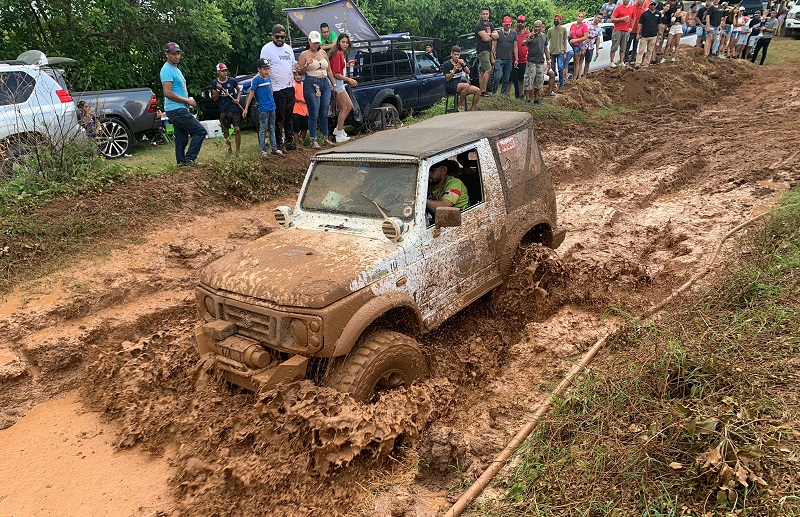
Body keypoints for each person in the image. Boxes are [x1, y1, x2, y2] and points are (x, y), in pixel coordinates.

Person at [160, 42, 206, 167]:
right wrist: (187, 101)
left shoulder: (175, 69)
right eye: (173, 54)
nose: (177, 56)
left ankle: (181, 162)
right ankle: (189, 159)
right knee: (200, 131)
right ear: (166, 54)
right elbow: (167, 92)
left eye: (178, 53)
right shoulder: (166, 70)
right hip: (176, 109)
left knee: (181, 137)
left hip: (177, 108)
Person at [297, 30, 337, 149]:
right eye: (313, 42)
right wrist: (306, 65)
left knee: (324, 111)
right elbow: (299, 72)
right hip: (312, 82)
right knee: (314, 112)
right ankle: (313, 138)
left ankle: (325, 137)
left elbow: (329, 70)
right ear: (309, 41)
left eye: (317, 43)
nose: (315, 45)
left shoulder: (323, 53)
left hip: (324, 82)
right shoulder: (304, 54)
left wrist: (334, 85)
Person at [260, 24, 296, 152]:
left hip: (289, 86)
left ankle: (290, 142)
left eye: (282, 37)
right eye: (277, 37)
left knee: (289, 116)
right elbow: (264, 69)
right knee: (278, 118)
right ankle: (279, 144)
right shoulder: (267, 49)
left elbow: (293, 65)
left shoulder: (288, 49)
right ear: (272, 36)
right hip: (276, 88)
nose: (280, 39)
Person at [242, 59, 284, 158]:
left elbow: (271, 91)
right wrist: (246, 108)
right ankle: (263, 150)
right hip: (263, 108)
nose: (267, 71)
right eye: (265, 69)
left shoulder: (268, 78)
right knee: (263, 129)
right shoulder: (256, 80)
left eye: (268, 69)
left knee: (272, 127)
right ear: (259, 69)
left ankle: (274, 148)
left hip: (272, 106)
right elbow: (251, 94)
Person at [211, 62, 242, 156]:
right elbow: (215, 98)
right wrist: (218, 90)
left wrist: (238, 99)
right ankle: (229, 151)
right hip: (224, 110)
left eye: (225, 71)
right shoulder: (215, 83)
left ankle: (238, 151)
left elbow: (239, 90)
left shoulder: (232, 81)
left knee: (237, 129)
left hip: (234, 108)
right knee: (226, 130)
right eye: (222, 71)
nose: (224, 73)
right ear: (218, 72)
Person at [330, 33, 355, 143]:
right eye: (343, 42)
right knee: (344, 108)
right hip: (338, 83)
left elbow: (339, 68)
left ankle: (338, 129)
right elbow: (335, 73)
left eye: (347, 42)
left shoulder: (341, 54)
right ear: (339, 42)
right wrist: (348, 79)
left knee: (349, 106)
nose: (345, 44)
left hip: (340, 83)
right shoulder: (337, 54)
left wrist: (347, 65)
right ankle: (339, 133)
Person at [522, 19, 553, 104]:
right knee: (529, 79)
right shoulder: (530, 35)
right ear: (533, 27)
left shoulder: (544, 36)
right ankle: (527, 99)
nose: (537, 28)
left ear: (541, 27)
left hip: (540, 61)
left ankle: (536, 98)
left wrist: (548, 59)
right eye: (535, 26)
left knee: (539, 80)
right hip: (531, 61)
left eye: (539, 26)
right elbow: (523, 43)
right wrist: (528, 39)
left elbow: (546, 48)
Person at [442, 46, 481, 111]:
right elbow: (447, 79)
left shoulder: (460, 62)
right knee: (466, 85)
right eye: (455, 55)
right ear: (451, 54)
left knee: (477, 91)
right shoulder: (446, 64)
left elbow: (468, 72)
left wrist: (464, 65)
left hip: (460, 83)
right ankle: (459, 105)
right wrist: (453, 70)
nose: (456, 56)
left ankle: (472, 109)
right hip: (450, 85)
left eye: (458, 55)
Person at [475, 7, 498, 96]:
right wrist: (491, 36)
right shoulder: (479, 25)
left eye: (486, 14)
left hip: (488, 50)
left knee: (482, 71)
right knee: (488, 69)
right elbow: (485, 38)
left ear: (488, 15)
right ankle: (483, 91)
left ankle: (481, 91)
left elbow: (497, 36)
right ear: (480, 15)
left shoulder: (490, 25)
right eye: (483, 14)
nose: (485, 15)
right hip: (482, 50)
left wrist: (489, 34)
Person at [492, 16, 519, 94]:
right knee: (497, 76)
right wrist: (492, 55)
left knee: (506, 78)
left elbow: (515, 46)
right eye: (506, 24)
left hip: (509, 59)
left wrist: (516, 59)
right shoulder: (499, 33)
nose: (507, 26)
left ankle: (502, 93)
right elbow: (494, 45)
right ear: (503, 24)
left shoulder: (513, 33)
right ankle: (494, 92)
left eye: (509, 24)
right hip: (499, 58)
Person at [547, 14, 569, 92]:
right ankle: (551, 87)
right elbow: (547, 41)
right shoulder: (550, 30)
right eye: (555, 19)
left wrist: (565, 51)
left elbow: (565, 41)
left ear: (560, 20)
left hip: (560, 51)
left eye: (557, 19)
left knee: (560, 68)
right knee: (552, 70)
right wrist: (547, 52)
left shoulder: (563, 29)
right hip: (552, 52)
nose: (556, 20)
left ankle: (561, 85)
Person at [610, 0, 636, 67]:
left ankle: (621, 61)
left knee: (623, 47)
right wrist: (622, 19)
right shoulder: (618, 8)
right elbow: (612, 19)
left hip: (626, 30)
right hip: (617, 30)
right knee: (614, 47)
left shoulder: (632, 8)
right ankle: (612, 62)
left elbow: (633, 17)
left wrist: (631, 27)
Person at [637, 2, 662, 67]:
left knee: (650, 51)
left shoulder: (658, 14)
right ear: (649, 5)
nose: (653, 6)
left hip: (653, 35)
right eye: (651, 4)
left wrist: (660, 34)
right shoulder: (644, 14)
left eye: (654, 4)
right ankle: (638, 63)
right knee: (641, 50)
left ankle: (646, 63)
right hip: (645, 35)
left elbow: (659, 24)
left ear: (656, 5)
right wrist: (638, 34)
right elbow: (640, 24)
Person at [512, 15, 531, 98]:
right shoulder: (513, 32)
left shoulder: (528, 33)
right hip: (513, 59)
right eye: (519, 22)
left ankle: (521, 95)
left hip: (524, 59)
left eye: (522, 22)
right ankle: (516, 94)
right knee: (513, 79)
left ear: (525, 23)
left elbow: (531, 46)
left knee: (521, 78)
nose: (520, 23)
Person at [625, 0, 647, 66]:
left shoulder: (643, 10)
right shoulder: (632, 7)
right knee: (628, 45)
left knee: (635, 45)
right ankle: (626, 58)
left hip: (639, 30)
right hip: (631, 29)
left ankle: (633, 58)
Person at [569, 12, 590, 79]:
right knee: (573, 61)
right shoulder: (573, 25)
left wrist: (576, 40)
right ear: (577, 17)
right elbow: (570, 34)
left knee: (577, 62)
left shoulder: (584, 26)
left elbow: (585, 37)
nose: (580, 18)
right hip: (571, 45)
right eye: (579, 16)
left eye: (582, 17)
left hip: (578, 45)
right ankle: (576, 77)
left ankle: (575, 78)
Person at [292, 71, 308, 149]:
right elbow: (292, 97)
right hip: (296, 110)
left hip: (304, 110)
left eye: (299, 75)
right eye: (296, 75)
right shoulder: (293, 84)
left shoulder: (304, 84)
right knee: (296, 129)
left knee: (304, 128)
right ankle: (297, 144)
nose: (298, 77)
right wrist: (301, 100)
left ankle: (302, 142)